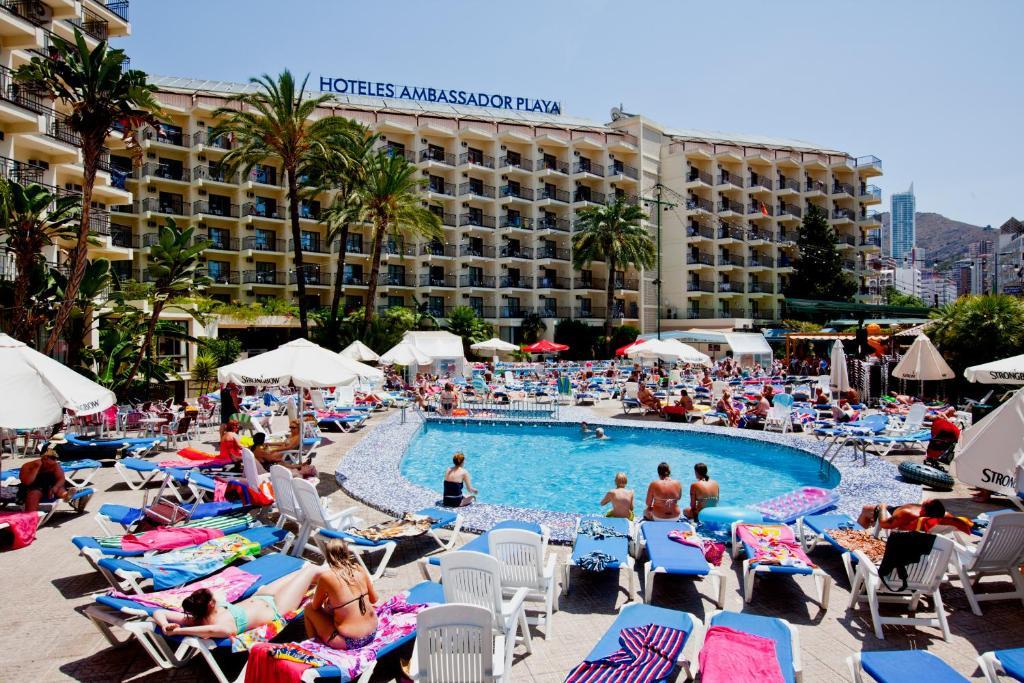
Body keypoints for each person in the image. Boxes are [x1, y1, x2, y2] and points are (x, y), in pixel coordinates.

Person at [152, 563, 324, 638]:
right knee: (312, 572)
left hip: (262, 596)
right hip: (278, 607)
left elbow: (158, 612)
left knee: (307, 570)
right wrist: (178, 632)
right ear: (211, 604)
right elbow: (214, 631)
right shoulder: (215, 626)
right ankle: (343, 575)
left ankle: (337, 571)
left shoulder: (193, 619)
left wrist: (164, 625)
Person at [304, 538, 380, 650]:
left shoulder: (327, 577)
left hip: (350, 642)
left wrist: (327, 596)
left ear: (328, 556)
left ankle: (314, 647)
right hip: (372, 634)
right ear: (347, 552)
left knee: (309, 609)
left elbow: (315, 606)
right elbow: (374, 599)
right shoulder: (359, 569)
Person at [857, 499, 972, 534]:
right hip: (919, 532)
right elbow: (963, 524)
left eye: (926, 503)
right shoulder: (946, 517)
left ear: (923, 510)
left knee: (867, 509)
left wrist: (882, 507)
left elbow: (884, 524)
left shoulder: (908, 513)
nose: (926, 499)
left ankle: (857, 535)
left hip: (891, 515)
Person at [17, 436, 71, 512]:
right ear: (44, 459)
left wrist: (55, 487)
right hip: (33, 487)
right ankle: (31, 516)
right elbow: (27, 482)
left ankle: (65, 495)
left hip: (49, 486)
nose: (54, 464)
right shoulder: (28, 466)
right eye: (52, 460)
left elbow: (61, 478)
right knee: (33, 494)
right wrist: (36, 468)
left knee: (59, 487)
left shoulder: (54, 465)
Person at [252, 432, 316, 478]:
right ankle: (299, 468)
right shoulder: (262, 452)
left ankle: (299, 466)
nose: (291, 429)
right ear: (262, 440)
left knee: (280, 462)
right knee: (280, 462)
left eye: (292, 427)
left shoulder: (253, 448)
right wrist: (277, 455)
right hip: (269, 470)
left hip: (263, 466)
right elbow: (272, 459)